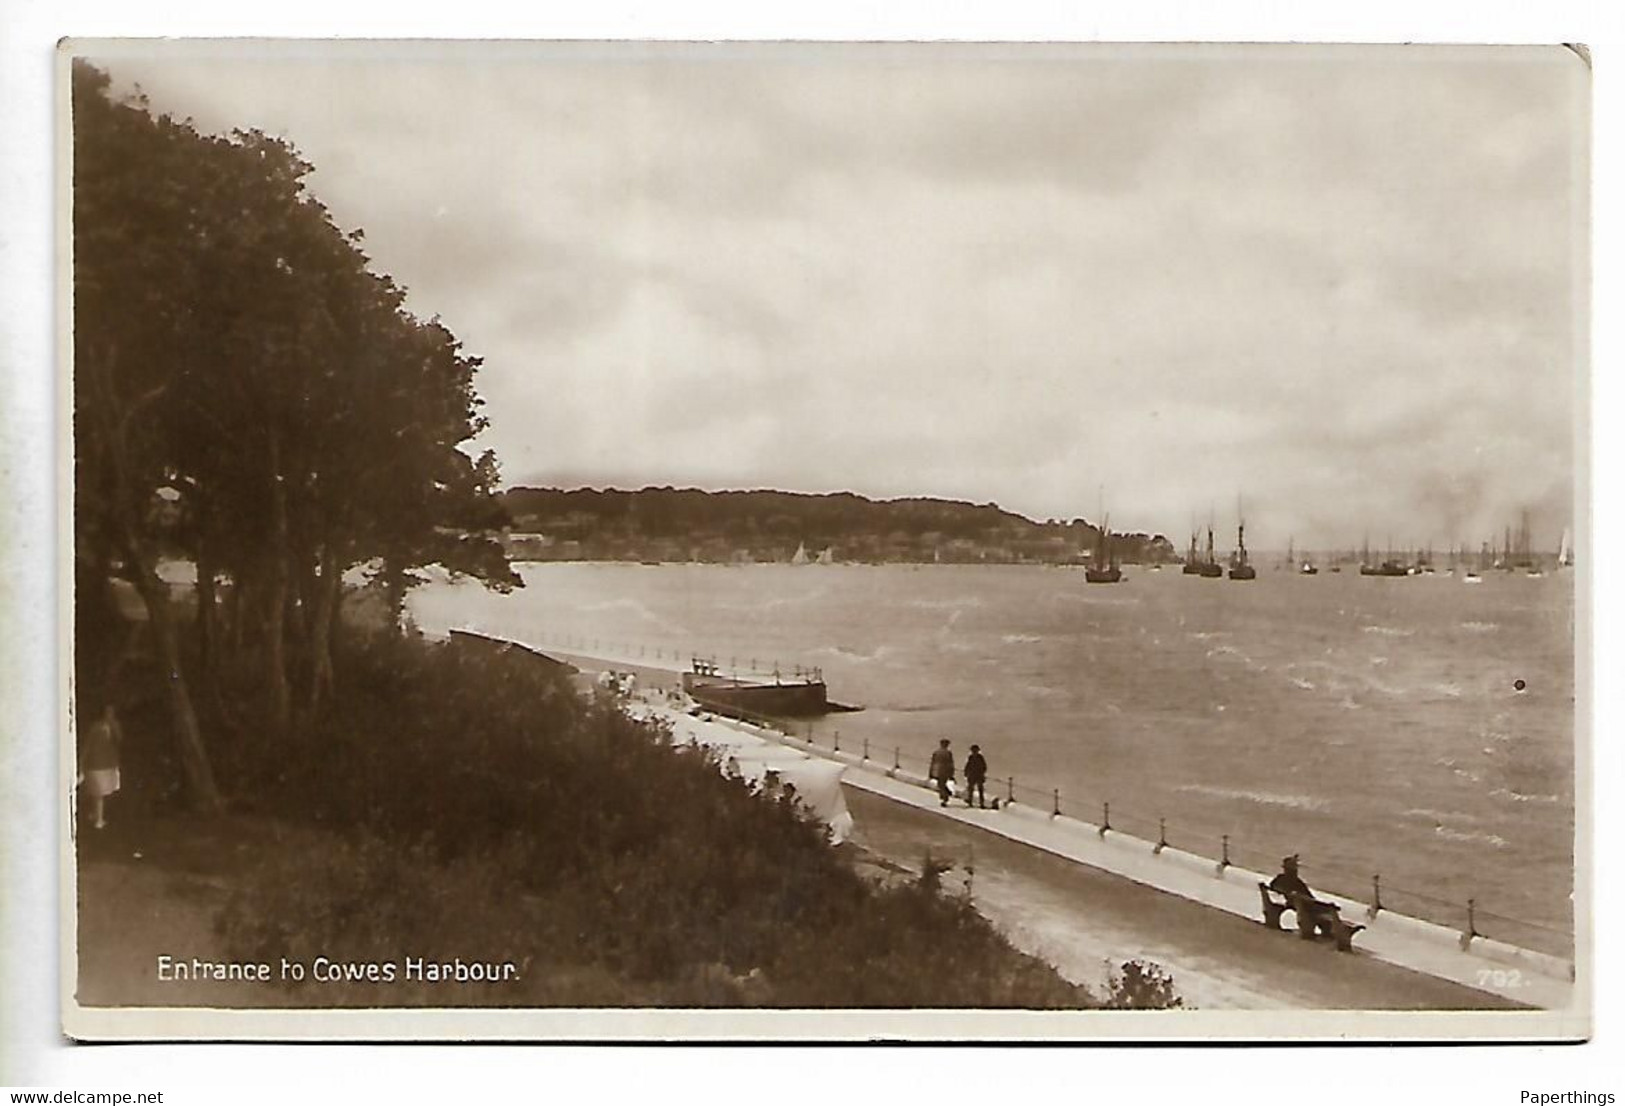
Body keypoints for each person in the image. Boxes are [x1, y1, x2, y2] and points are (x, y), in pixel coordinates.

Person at [1269, 855, 1339, 938]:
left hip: (1296, 902)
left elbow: (1273, 886)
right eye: (1295, 868)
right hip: (1300, 903)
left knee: (1321, 909)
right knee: (1323, 910)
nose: (1296, 870)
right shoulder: (1295, 881)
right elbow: (1309, 896)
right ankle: (1327, 931)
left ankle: (1326, 929)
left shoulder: (1281, 879)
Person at [79, 704, 123, 830]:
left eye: (112, 712)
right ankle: (98, 820)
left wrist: (114, 727)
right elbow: (88, 743)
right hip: (96, 763)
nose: (110, 714)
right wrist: (83, 759)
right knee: (98, 793)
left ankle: (96, 815)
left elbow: (119, 739)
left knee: (103, 792)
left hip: (109, 763)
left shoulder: (115, 726)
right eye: (108, 712)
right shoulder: (96, 727)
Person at [927, 739, 955, 807]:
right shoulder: (947, 753)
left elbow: (933, 763)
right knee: (941, 784)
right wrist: (951, 773)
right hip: (944, 771)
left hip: (939, 771)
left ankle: (945, 798)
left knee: (941, 785)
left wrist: (930, 772)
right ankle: (946, 795)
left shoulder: (937, 752)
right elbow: (951, 764)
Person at [964, 744, 988, 808]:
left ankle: (981, 803)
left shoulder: (979, 758)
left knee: (979, 790)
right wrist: (966, 772)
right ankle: (971, 802)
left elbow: (984, 767)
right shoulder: (971, 757)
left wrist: (966, 773)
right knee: (971, 789)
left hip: (977, 775)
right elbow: (968, 766)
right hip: (973, 775)